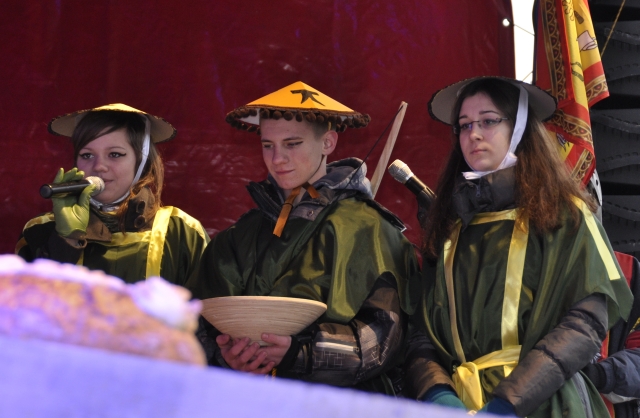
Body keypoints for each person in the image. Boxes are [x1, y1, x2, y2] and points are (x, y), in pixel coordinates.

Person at [403, 77, 633, 417]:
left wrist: (506, 404)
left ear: (520, 127)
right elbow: (423, 334)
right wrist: (438, 396)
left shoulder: (566, 216)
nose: (473, 134)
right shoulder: (448, 228)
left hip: (547, 405)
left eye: (488, 121)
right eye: (464, 125)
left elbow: (585, 323)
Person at [187, 81, 420, 394]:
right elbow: (197, 325)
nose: (277, 158)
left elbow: (382, 340)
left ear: (328, 142)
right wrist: (227, 356)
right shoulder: (237, 237)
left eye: (292, 144)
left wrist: (300, 353)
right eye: (268, 145)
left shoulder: (370, 229)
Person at [16, 104, 209, 286]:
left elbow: (207, 307)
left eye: (115, 154)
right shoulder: (40, 229)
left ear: (141, 161)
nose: (99, 166)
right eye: (87, 155)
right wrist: (64, 242)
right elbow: (22, 304)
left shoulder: (182, 232)